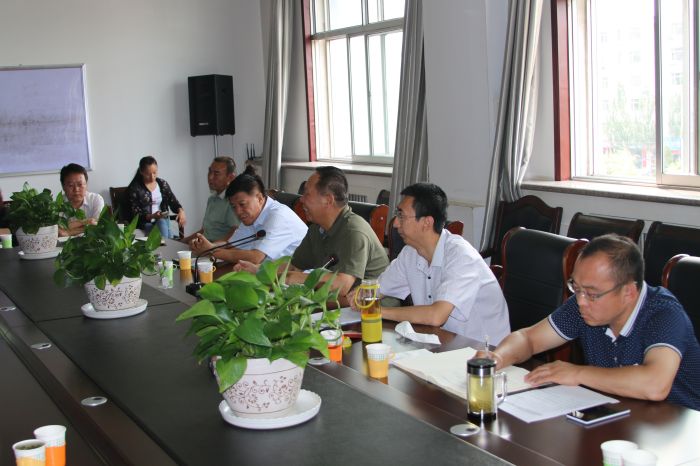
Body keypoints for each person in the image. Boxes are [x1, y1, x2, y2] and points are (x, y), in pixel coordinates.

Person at [479, 234, 700, 411]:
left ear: (629, 292)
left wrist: (577, 373)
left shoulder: (663, 314)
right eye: (576, 288)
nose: (581, 301)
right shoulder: (582, 306)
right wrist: (498, 357)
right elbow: (528, 339)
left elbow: (655, 385)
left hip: (682, 430)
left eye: (592, 294)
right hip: (622, 415)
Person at [351, 183, 510, 344]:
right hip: (443, 344)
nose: (396, 223)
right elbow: (377, 289)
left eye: (401, 216)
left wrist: (377, 310)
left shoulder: (461, 256)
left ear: (427, 222)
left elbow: (436, 316)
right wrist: (359, 295)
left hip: (484, 351)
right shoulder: (410, 253)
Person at [238, 166, 389, 305]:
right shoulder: (317, 228)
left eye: (307, 194)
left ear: (328, 200)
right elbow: (295, 266)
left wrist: (296, 278)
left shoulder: (353, 231)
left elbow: (342, 285)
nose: (301, 199)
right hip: (339, 303)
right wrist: (259, 270)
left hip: (374, 309)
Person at [190, 166, 307, 265]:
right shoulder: (251, 217)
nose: (238, 211)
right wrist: (206, 245)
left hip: (296, 279)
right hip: (268, 275)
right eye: (234, 206)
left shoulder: (278, 216)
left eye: (242, 204)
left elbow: (256, 257)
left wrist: (211, 250)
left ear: (259, 198)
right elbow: (232, 246)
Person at [182, 156, 239, 244]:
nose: (210, 177)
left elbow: (235, 232)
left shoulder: (233, 201)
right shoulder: (212, 199)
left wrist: (212, 247)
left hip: (219, 249)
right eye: (210, 172)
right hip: (205, 246)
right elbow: (204, 231)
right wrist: (183, 241)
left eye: (216, 173)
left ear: (230, 177)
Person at [127, 156, 186, 238]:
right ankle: (169, 241)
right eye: (148, 174)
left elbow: (174, 202)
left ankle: (167, 241)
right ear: (141, 172)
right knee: (163, 225)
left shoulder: (162, 184)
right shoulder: (135, 188)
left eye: (154, 172)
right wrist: (152, 216)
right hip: (145, 224)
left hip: (163, 222)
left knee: (162, 222)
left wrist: (181, 211)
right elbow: (134, 214)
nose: (152, 177)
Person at [58, 163, 105, 237]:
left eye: (80, 184)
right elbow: (58, 230)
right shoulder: (58, 204)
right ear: (63, 187)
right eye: (71, 185)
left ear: (86, 184)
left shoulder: (96, 199)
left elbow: (97, 226)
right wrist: (84, 222)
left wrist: (68, 232)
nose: (76, 189)